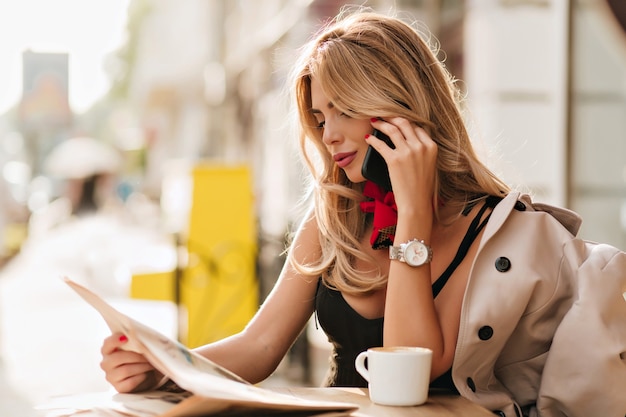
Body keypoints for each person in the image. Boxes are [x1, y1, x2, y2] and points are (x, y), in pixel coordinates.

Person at [100, 9, 626, 417]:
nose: (328, 136)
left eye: (345, 110)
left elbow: (408, 369)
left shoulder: (501, 234)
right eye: (320, 116)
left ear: (402, 105)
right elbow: (259, 345)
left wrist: (414, 212)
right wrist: (164, 367)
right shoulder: (333, 218)